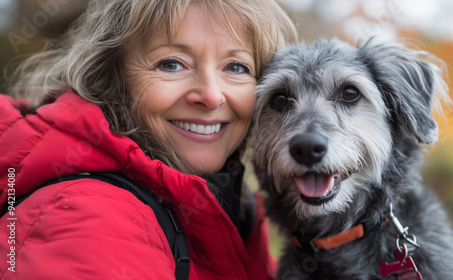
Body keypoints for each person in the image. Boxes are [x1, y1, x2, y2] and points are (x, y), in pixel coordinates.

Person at [0, 0, 297, 279]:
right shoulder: (91, 221)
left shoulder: (236, 211)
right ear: (111, 77)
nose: (210, 95)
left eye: (236, 67)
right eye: (171, 64)